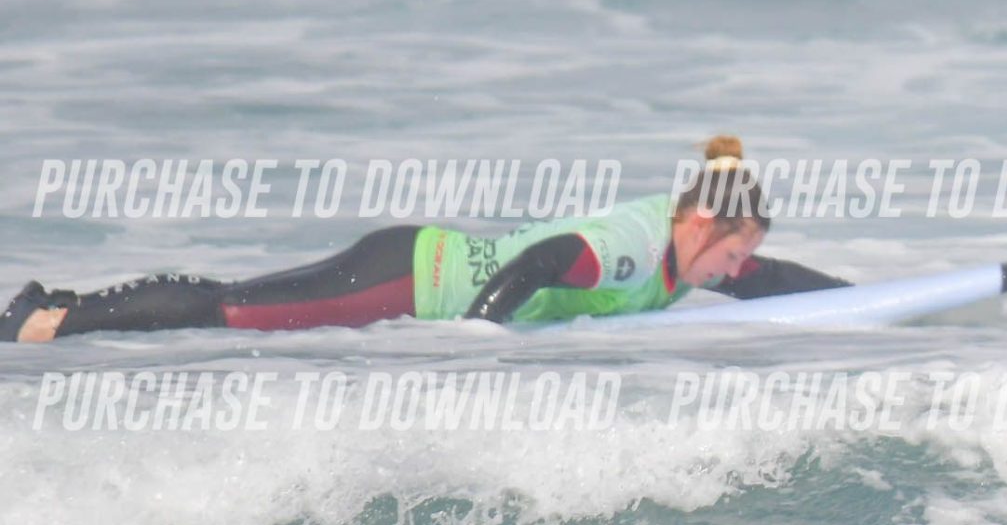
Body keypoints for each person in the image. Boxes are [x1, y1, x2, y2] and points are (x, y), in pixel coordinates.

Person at [3, 137, 846, 342]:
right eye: (732, 251)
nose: (736, 269)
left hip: (413, 261)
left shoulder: (684, 248)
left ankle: (58, 304)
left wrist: (862, 302)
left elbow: (766, 279)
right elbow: (541, 264)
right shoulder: (634, 242)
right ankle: (48, 324)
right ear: (702, 224)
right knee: (234, 312)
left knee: (241, 300)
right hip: (412, 278)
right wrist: (474, 341)